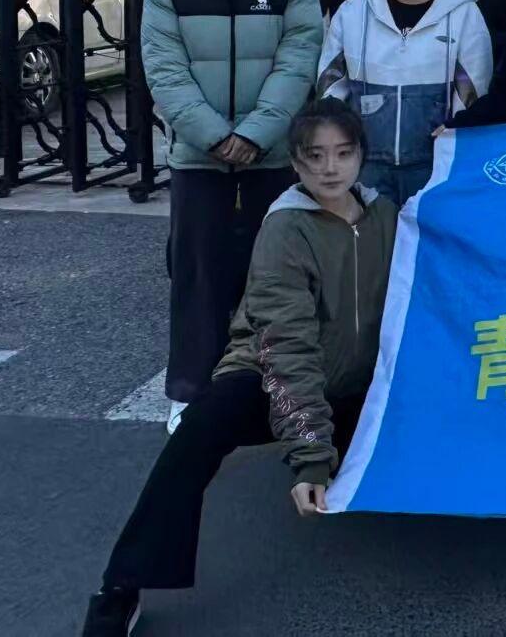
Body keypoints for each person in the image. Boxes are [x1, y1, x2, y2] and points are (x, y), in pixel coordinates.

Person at [81, 100, 399, 637]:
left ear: (361, 157)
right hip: (270, 373)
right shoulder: (285, 228)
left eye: (343, 153)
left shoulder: (386, 218)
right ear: (295, 163)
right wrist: (311, 458)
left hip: (356, 386)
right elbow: (286, 347)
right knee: (201, 427)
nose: (330, 168)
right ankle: (122, 585)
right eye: (315, 155)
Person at [141, 0, 324, 435]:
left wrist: (255, 132)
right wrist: (216, 136)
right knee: (197, 275)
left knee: (274, 278)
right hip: (199, 159)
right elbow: (164, 68)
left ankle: (273, 388)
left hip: (271, 156)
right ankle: (191, 391)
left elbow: (299, 58)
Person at [319, 0, 493, 206]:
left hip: (436, 168)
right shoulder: (353, 11)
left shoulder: (462, 11)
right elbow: (331, 85)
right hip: (365, 169)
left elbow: (473, 90)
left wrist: (454, 137)